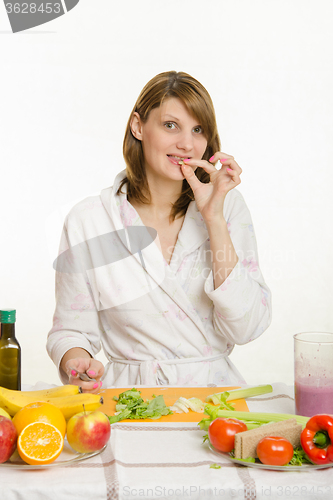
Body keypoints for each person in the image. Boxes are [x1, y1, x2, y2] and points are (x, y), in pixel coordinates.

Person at [47, 71, 272, 393]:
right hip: (128, 399)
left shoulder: (228, 207)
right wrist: (77, 360)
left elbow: (247, 327)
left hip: (214, 399)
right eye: (171, 125)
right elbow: (70, 330)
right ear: (138, 126)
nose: (186, 143)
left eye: (198, 130)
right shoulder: (90, 219)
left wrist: (214, 219)